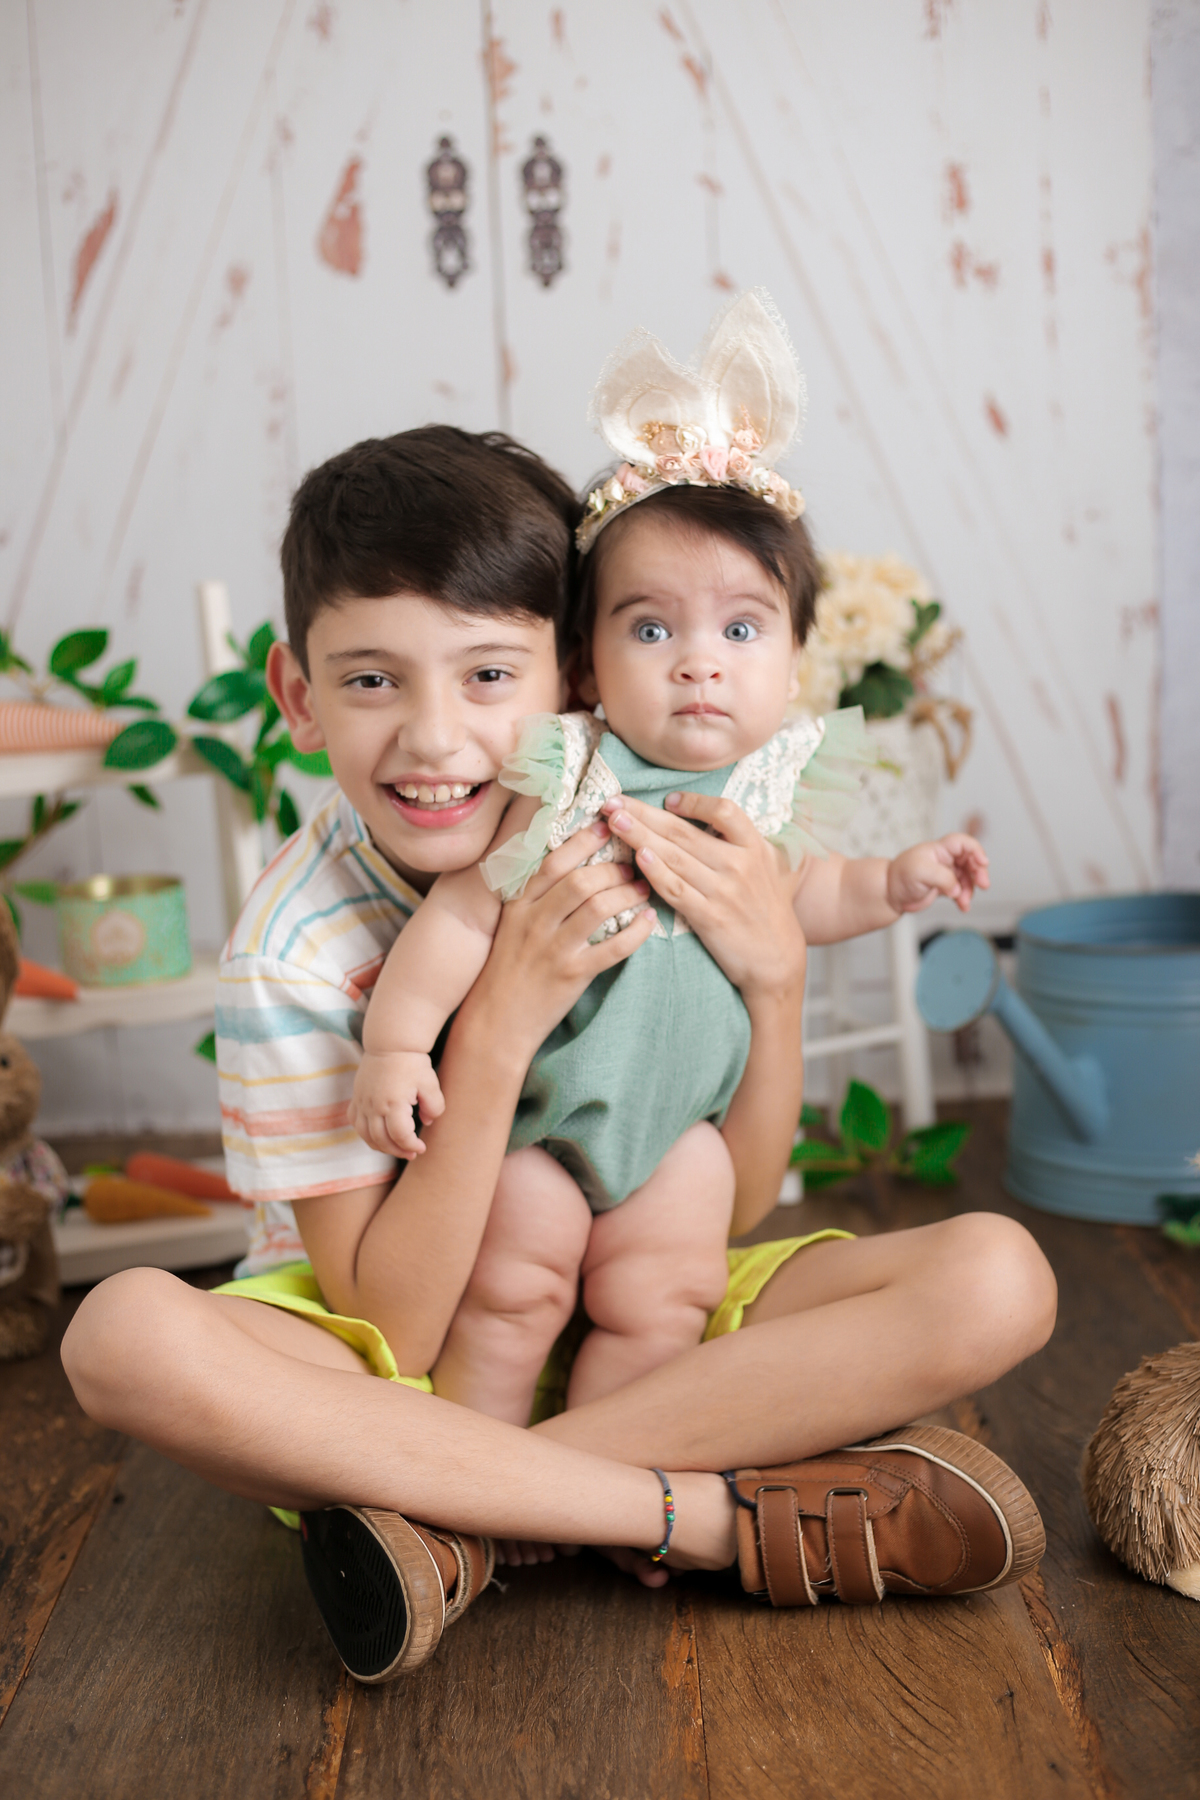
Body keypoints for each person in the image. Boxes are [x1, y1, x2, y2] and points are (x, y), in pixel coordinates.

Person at [60, 400, 1056, 1691]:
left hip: (644, 1319)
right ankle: (697, 1517)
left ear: (573, 680)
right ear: (299, 696)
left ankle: (460, 1520)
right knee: (121, 1335)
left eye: (489, 676)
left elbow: (739, 1202)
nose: (434, 739)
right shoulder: (295, 950)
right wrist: (498, 1031)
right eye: (371, 680)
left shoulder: (679, 825)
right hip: (400, 1370)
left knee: (1000, 1276)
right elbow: (391, 1325)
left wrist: (776, 978)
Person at [350, 294, 991, 1429]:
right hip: (544, 1124)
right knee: (512, 1295)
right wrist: (397, 1045)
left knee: (668, 1301)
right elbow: (460, 915)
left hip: (683, 1136)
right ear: (586, 660)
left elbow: (809, 895)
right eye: (652, 630)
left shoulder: (772, 792)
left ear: (795, 661)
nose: (699, 663)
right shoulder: (566, 774)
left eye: (741, 630)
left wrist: (898, 880)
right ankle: (470, 1480)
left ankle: (600, 1467)